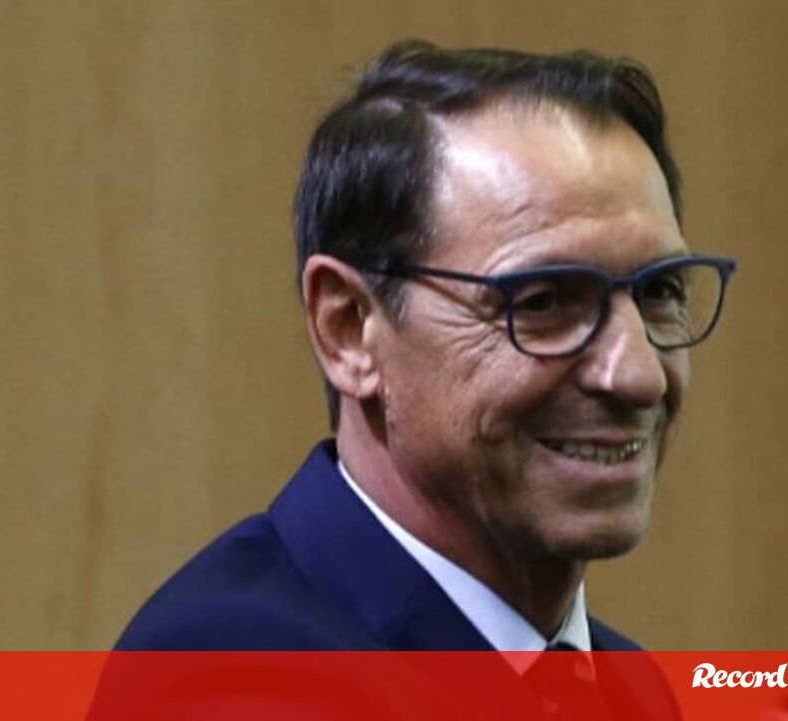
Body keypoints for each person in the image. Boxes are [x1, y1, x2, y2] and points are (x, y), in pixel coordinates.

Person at [108, 38, 735, 719]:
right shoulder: (230, 674)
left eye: (660, 291)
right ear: (350, 329)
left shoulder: (629, 687)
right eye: (543, 302)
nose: (638, 375)